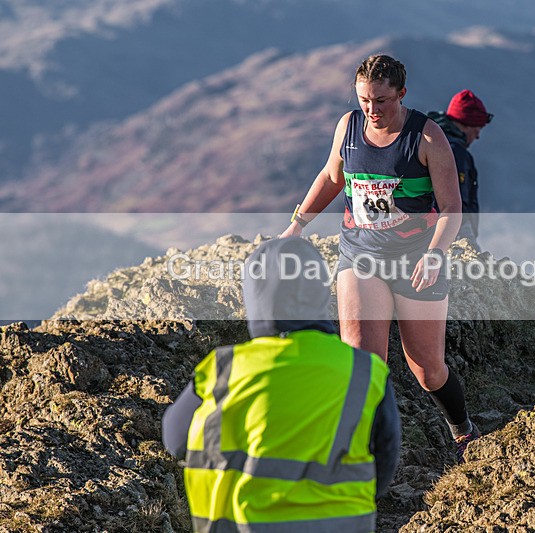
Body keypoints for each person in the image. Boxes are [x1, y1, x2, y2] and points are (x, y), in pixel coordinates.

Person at [279, 54, 480, 462]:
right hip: (361, 255)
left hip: (416, 261)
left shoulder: (426, 138)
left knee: (427, 368)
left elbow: (452, 209)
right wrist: (297, 224)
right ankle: (360, 453)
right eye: (364, 100)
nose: (372, 110)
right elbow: (332, 177)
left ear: (402, 94)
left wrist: (436, 254)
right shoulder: (348, 127)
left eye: (382, 101)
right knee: (362, 361)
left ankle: (463, 430)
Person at [162, 237, 401, 532]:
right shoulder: (364, 370)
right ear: (320, 292)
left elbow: (175, 440)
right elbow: (386, 457)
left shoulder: (225, 368)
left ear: (255, 296)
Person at [428, 89, 492, 250]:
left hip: (427, 230)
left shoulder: (430, 142)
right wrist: (467, 243)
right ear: (466, 124)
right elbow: (456, 203)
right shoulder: (455, 152)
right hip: (453, 230)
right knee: (472, 270)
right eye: (477, 129)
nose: (477, 136)